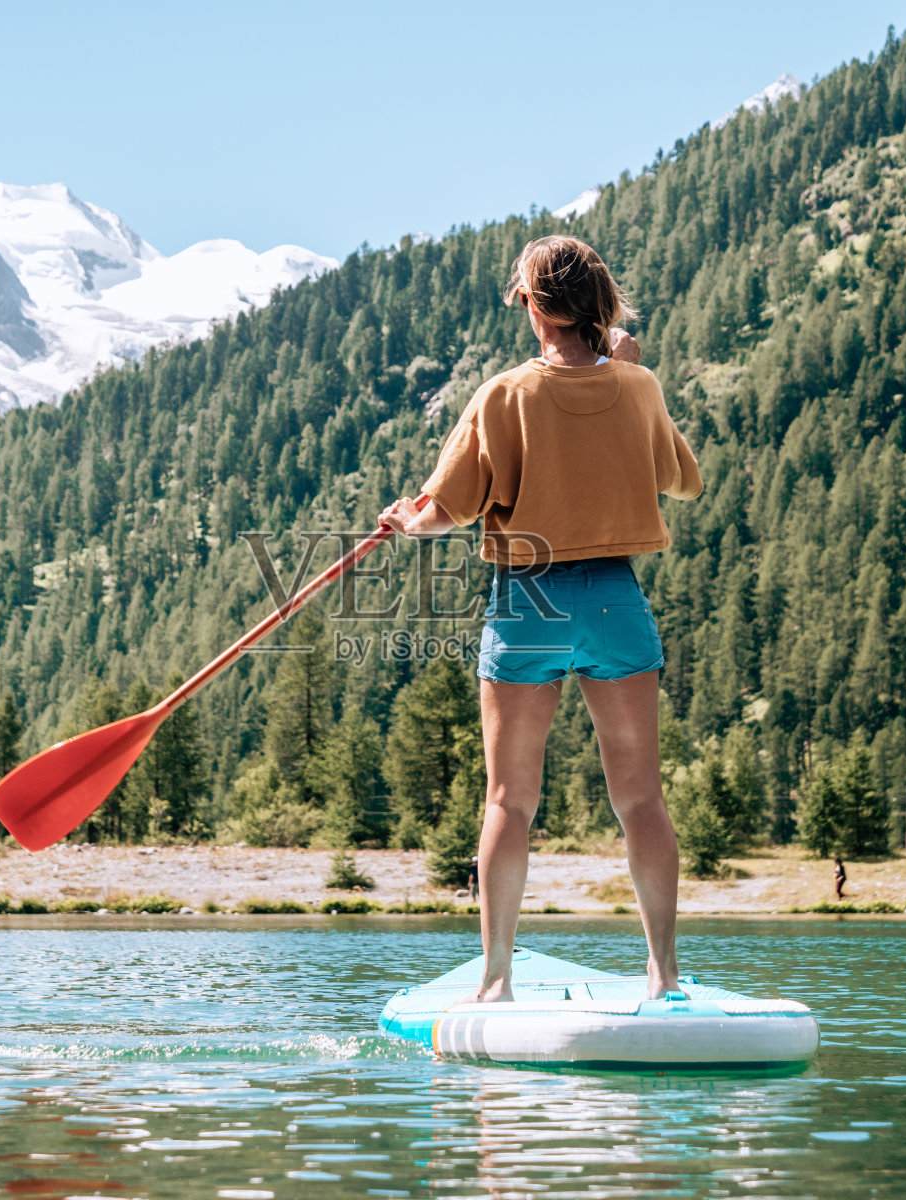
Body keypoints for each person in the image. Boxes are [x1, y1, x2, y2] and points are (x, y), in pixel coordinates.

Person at [379, 235, 702, 1002]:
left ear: (533, 308)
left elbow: (444, 509)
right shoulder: (640, 385)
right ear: (598, 305)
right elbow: (682, 480)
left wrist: (407, 521)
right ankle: (664, 975)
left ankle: (496, 981)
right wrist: (625, 374)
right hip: (615, 601)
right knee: (642, 799)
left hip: (529, 602)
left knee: (509, 801)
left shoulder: (503, 395)